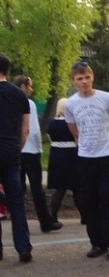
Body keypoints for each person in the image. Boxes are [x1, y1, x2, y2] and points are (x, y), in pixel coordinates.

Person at [65, 61, 109, 259]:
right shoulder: (71, 103)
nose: (84, 82)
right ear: (74, 81)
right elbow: (74, 130)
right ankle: (96, 243)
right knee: (90, 202)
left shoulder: (106, 98)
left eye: (87, 77)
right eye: (80, 79)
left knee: (108, 200)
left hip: (107, 155)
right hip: (86, 157)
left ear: (92, 77)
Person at [16, 76, 62, 233]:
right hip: (30, 150)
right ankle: (45, 222)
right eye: (30, 86)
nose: (31, 89)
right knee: (37, 189)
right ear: (23, 86)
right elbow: (33, 129)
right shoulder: (29, 104)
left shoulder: (10, 101)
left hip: (16, 151)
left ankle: (20, 222)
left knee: (18, 189)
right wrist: (38, 148)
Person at [0, 53, 32, 262]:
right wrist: (17, 148)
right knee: (16, 201)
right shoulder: (20, 95)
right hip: (11, 153)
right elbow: (26, 129)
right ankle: (23, 247)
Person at [46, 98, 84, 225]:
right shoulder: (72, 123)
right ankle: (84, 216)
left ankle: (53, 216)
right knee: (76, 188)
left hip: (56, 155)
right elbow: (77, 138)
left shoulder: (52, 123)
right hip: (71, 155)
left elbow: (50, 139)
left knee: (60, 189)